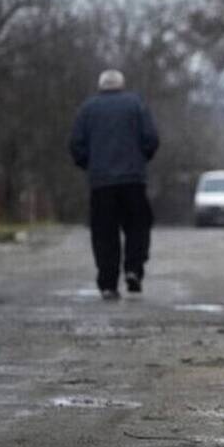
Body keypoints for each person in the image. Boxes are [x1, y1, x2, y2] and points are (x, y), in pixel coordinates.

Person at [69, 69, 160, 300]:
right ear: (122, 85)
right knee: (138, 227)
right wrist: (140, 160)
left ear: (100, 86)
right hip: (133, 180)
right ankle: (133, 270)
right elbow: (151, 139)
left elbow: (76, 145)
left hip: (101, 183)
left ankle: (108, 284)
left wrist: (91, 165)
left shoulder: (87, 109)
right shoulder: (136, 105)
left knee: (104, 234)